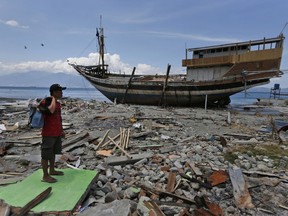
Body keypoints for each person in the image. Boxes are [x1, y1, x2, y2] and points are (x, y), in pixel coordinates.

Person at [40, 84, 66, 183]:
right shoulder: (47, 101)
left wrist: (62, 130)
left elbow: (59, 118)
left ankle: (52, 170)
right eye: (60, 91)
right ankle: (45, 176)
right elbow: (43, 110)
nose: (62, 93)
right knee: (46, 154)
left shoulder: (58, 104)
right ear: (54, 92)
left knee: (53, 153)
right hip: (48, 133)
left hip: (56, 132)